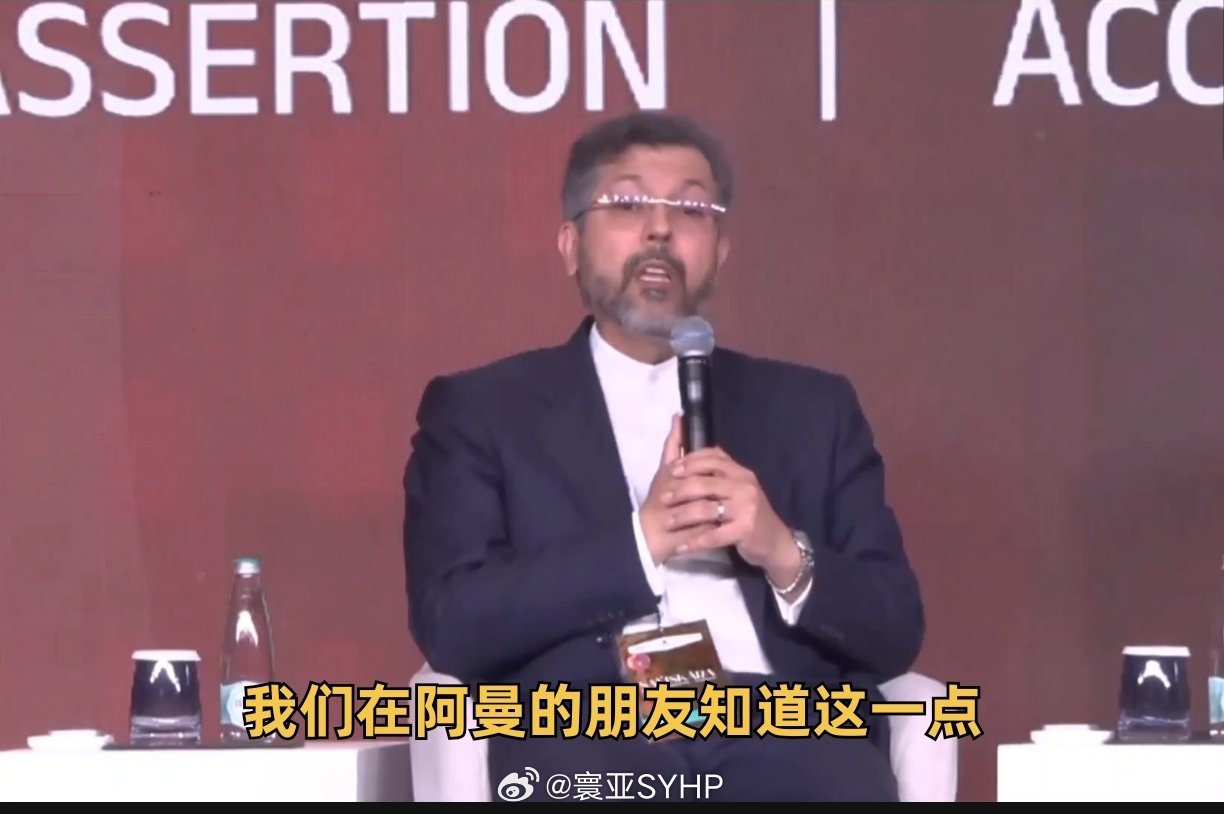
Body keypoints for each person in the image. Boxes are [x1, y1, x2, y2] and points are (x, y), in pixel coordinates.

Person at [402, 110, 924, 802]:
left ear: (721, 250)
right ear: (570, 245)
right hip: (588, 735)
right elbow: (453, 622)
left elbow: (894, 629)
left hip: (783, 734)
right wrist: (642, 543)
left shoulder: (813, 410)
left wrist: (783, 551)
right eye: (626, 204)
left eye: (690, 208)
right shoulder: (484, 411)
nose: (660, 229)